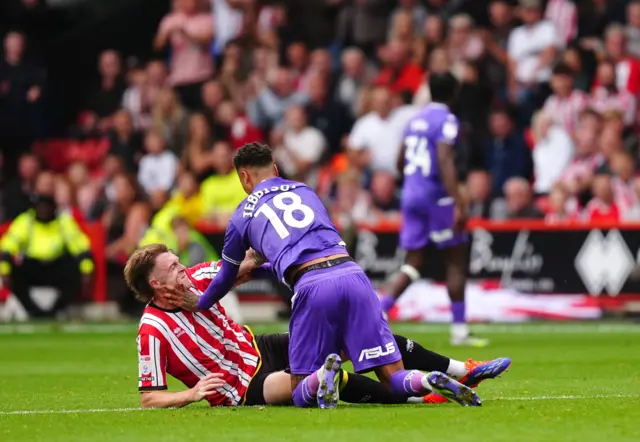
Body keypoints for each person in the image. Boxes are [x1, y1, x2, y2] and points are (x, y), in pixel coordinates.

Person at [167, 142, 483, 409]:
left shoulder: (241, 215)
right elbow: (314, 245)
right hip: (353, 275)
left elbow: (225, 277)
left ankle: (322, 377)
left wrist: (200, 302)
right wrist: (268, 264)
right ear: (275, 169)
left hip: (312, 286)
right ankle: (428, 380)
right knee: (393, 377)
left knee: (300, 388)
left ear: (244, 177)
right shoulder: (306, 191)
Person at [125, 243, 511, 408]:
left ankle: (463, 370)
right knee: (308, 381)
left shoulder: (197, 278)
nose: (183, 270)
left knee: (366, 339)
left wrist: (270, 247)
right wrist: (191, 395)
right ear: (156, 285)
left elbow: (243, 268)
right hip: (237, 386)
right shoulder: (152, 332)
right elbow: (149, 398)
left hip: (259, 347)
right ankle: (420, 393)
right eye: (174, 268)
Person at [378, 72, 488, 347]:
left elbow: (401, 160)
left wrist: (414, 182)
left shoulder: (413, 119)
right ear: (453, 94)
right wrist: (458, 200)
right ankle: (459, 331)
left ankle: (378, 312)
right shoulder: (447, 120)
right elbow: (444, 158)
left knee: (412, 262)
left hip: (411, 196)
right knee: (455, 258)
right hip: (437, 198)